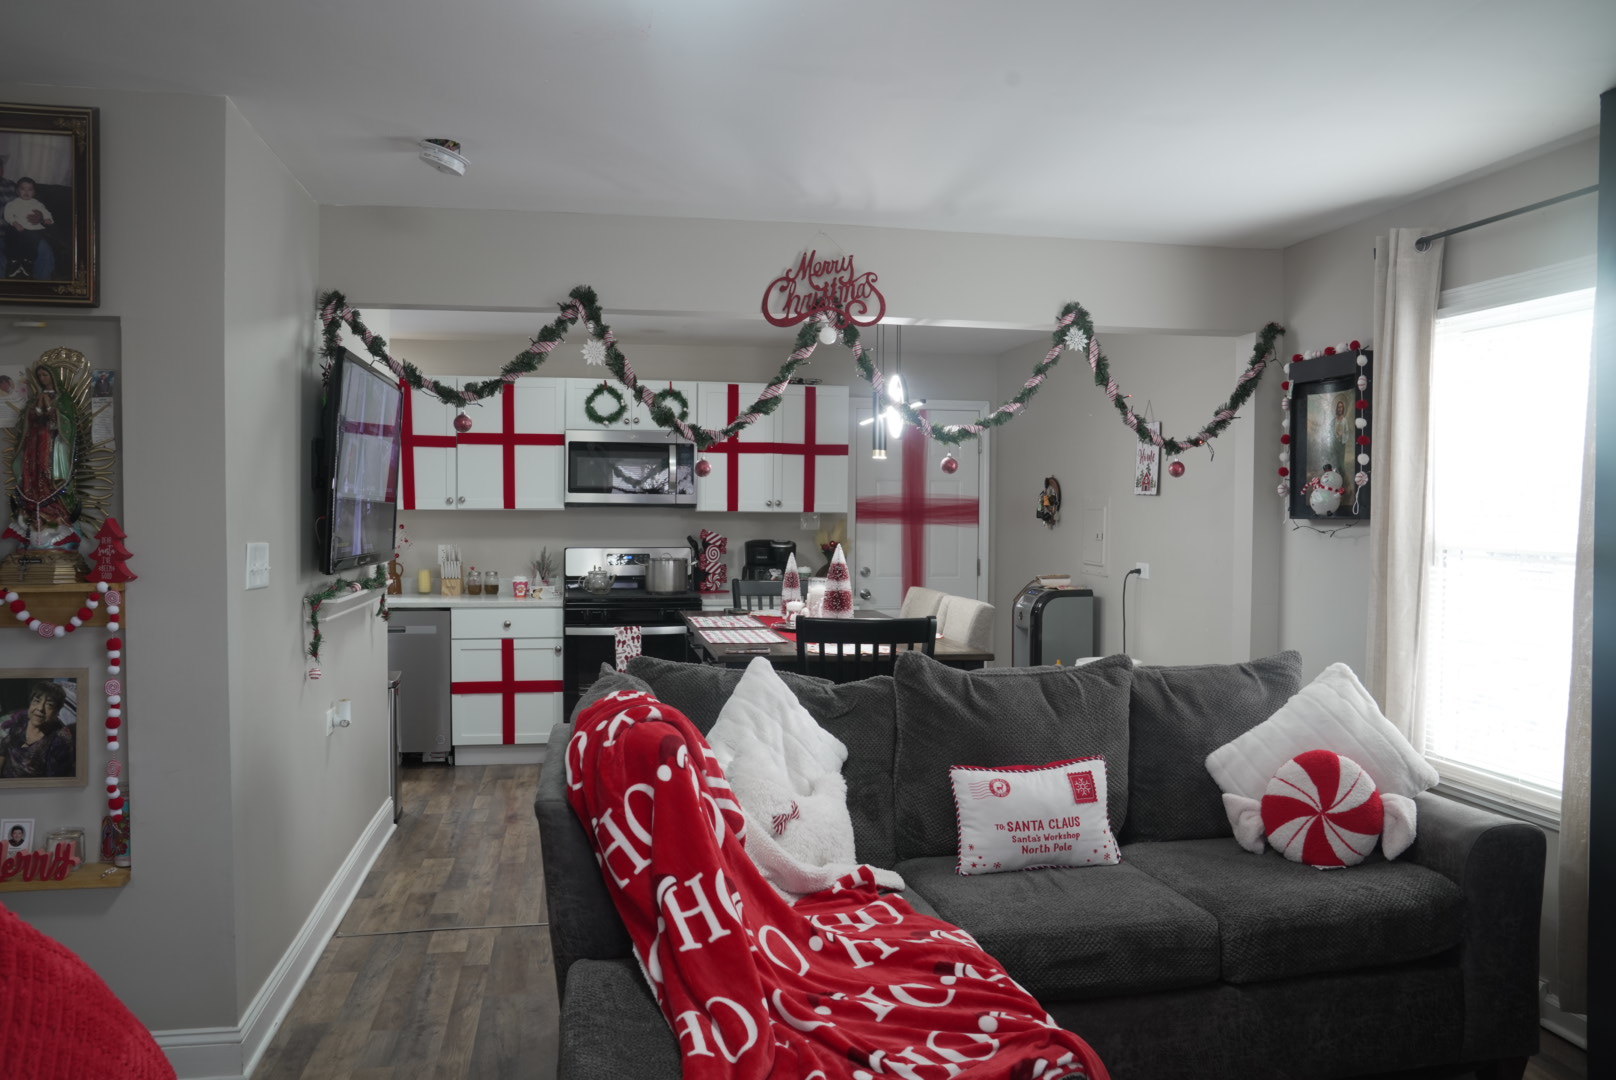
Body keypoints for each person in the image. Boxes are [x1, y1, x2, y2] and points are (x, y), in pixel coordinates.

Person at [10, 362, 80, 545]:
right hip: (34, 443)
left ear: (53, 376)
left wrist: (52, 410)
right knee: (33, 472)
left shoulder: (63, 399)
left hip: (53, 444)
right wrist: (34, 409)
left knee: (47, 471)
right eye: (39, 376)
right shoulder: (34, 399)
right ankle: (32, 508)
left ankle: (53, 510)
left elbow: (69, 424)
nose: (42, 379)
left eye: (45, 375)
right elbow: (25, 422)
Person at [0, 680, 75, 779]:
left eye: (49, 705)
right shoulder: (23, 718)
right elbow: (5, 746)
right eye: (37, 701)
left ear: (57, 711)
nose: (40, 708)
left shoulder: (60, 740)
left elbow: (53, 782)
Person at [3, 177, 56, 279]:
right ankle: (14, 262)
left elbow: (46, 212)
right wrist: (14, 223)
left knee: (33, 246)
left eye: (30, 189)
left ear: (34, 192)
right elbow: (8, 214)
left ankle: (27, 264)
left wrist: (48, 219)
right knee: (11, 239)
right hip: (18, 228)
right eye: (23, 189)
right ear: (17, 191)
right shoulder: (14, 203)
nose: (26, 192)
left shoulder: (37, 204)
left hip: (33, 230)